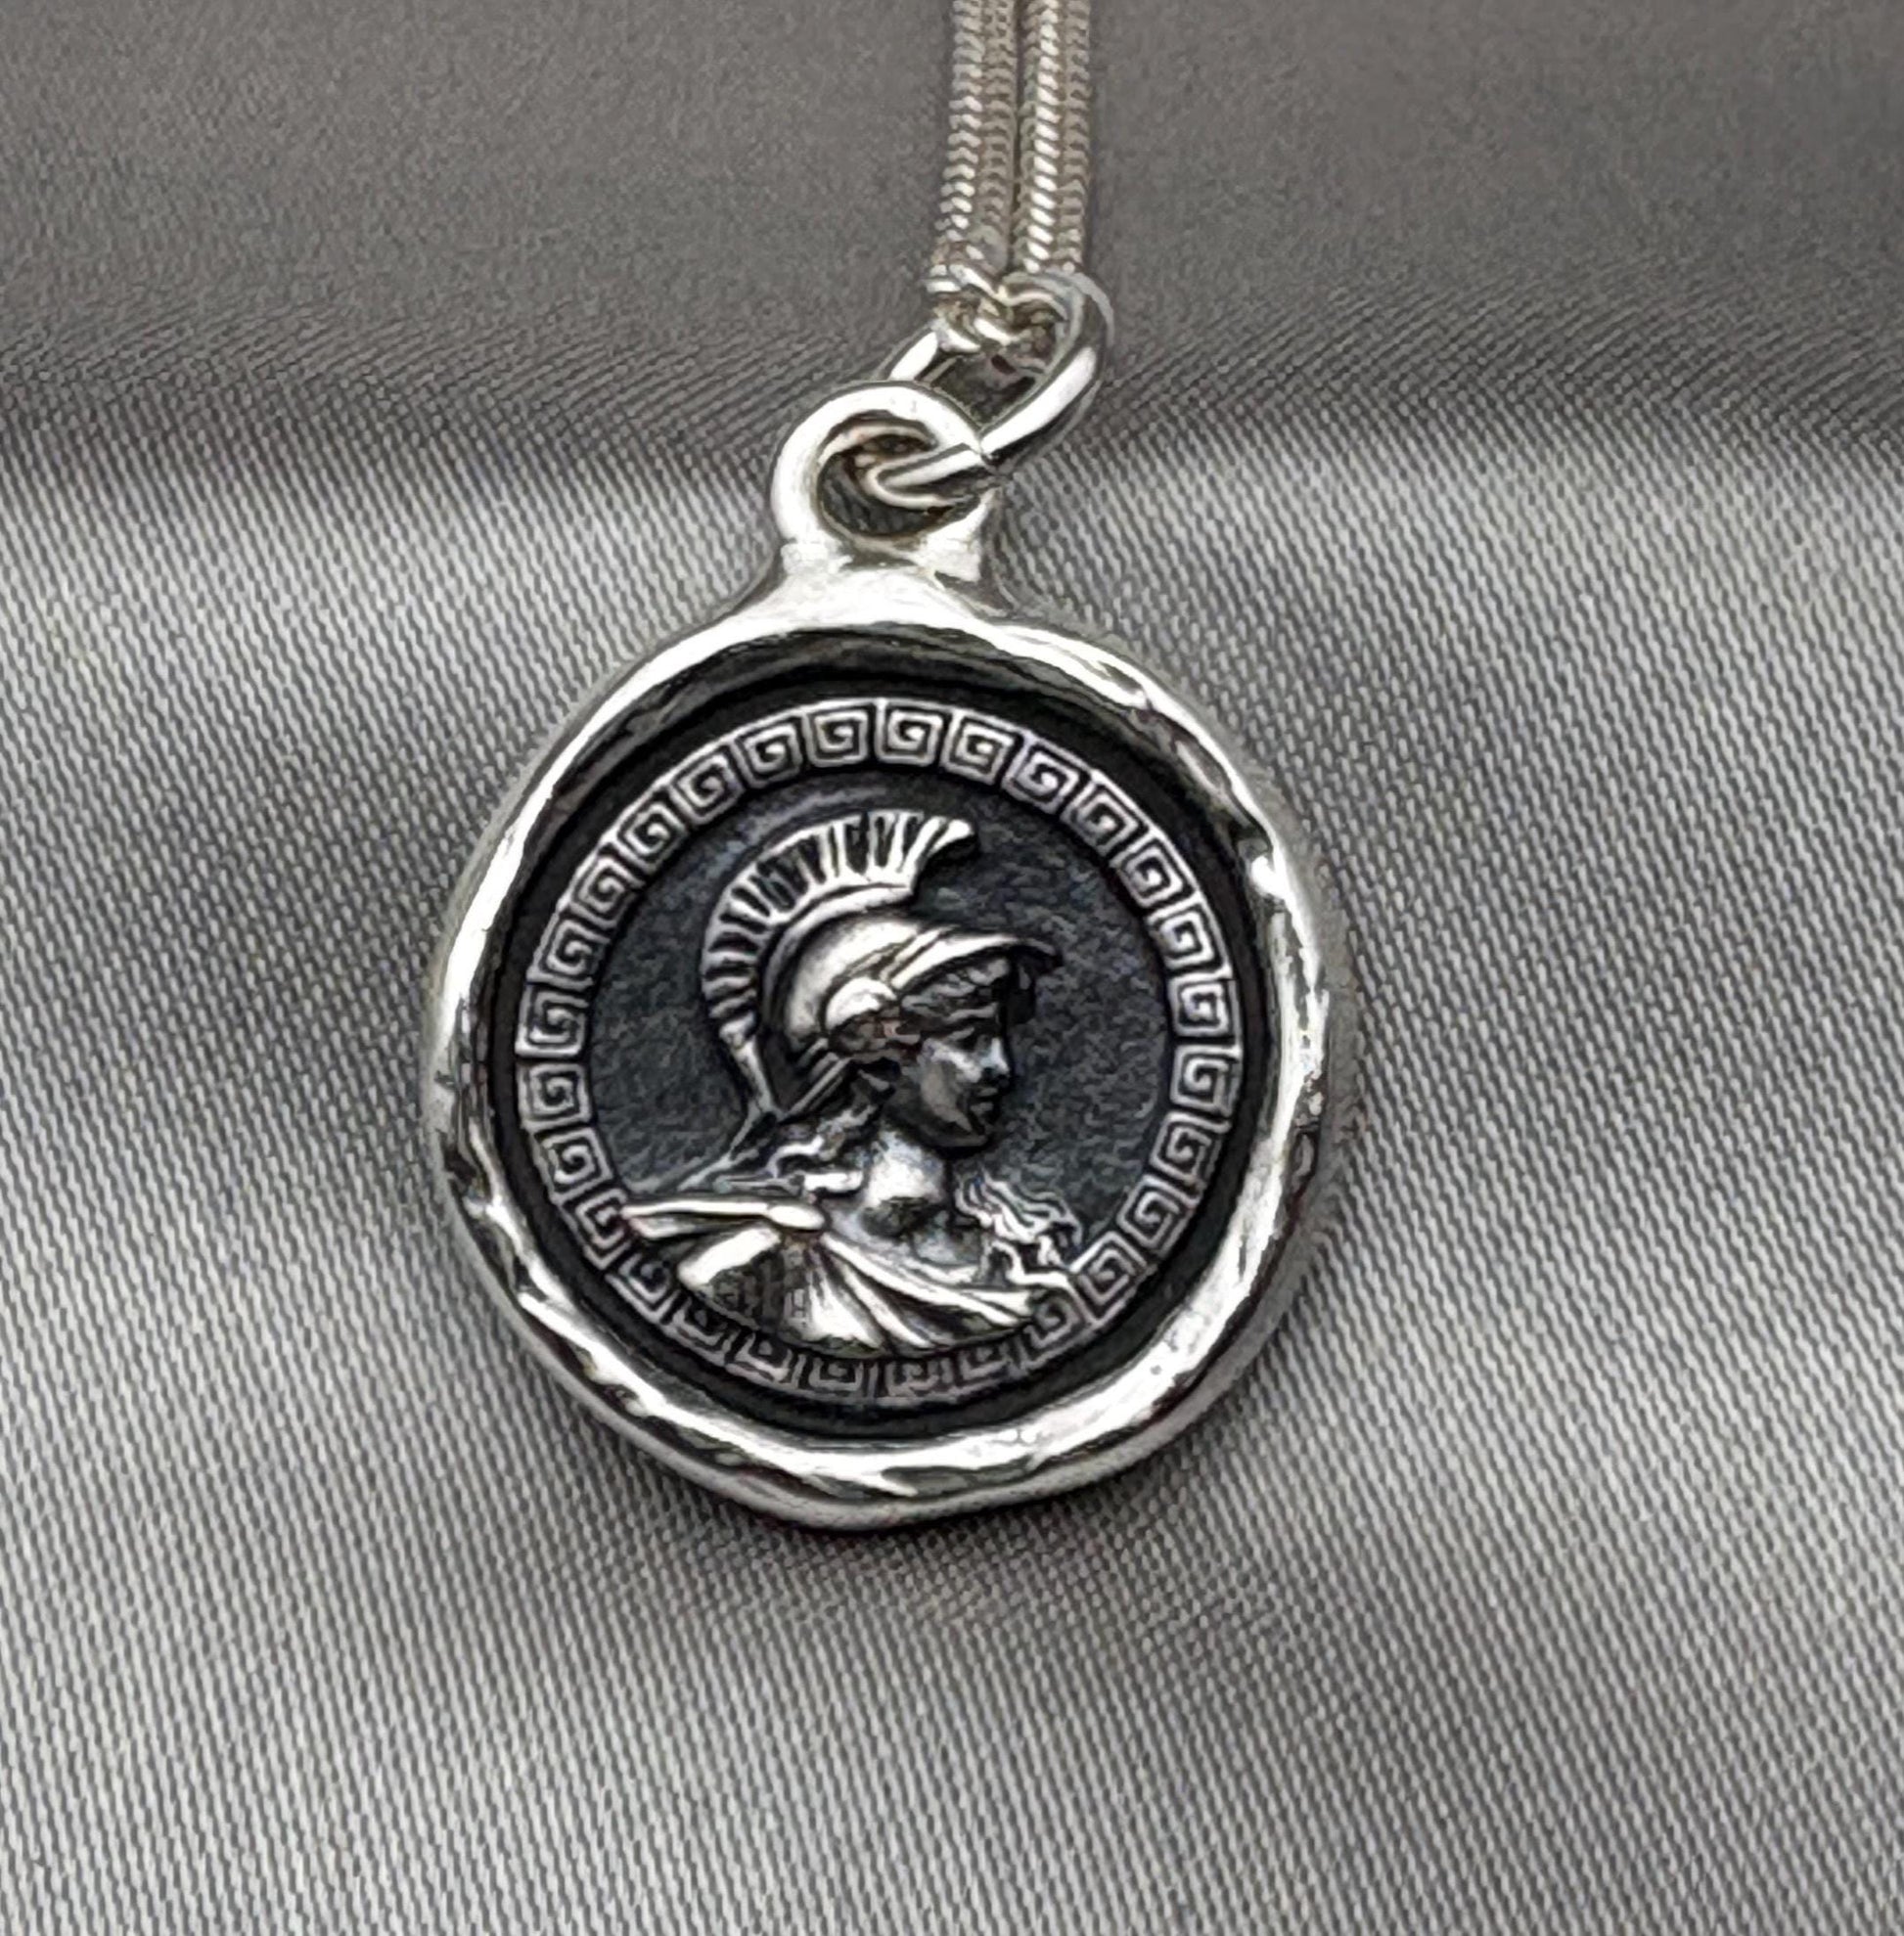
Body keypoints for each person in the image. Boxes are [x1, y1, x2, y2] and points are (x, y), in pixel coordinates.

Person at [623, 808, 1079, 1355]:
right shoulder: (757, 1272)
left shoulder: (1006, 1259)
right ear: (875, 1055)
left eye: (998, 1038)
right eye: (969, 1039)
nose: (1001, 1067)